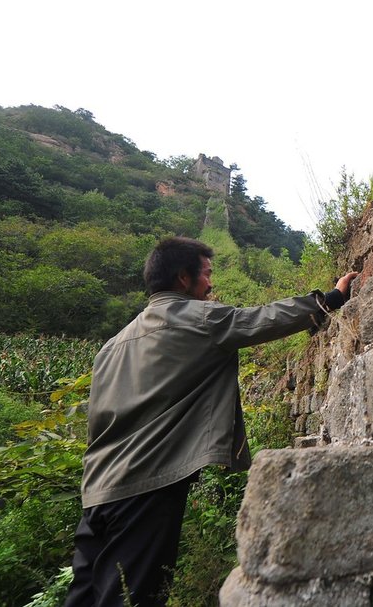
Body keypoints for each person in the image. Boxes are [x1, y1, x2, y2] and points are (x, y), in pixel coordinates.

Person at [63, 236, 357, 607]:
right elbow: (263, 319)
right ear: (184, 278)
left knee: (84, 596)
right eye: (207, 274)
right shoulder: (199, 319)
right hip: (146, 486)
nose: (211, 284)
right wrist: (330, 300)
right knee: (130, 597)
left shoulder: (111, 346)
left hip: (97, 491)